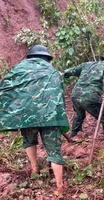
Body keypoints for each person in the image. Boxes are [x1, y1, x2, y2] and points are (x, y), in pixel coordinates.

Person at [0, 45, 69, 195]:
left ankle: (35, 169)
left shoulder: (18, 68)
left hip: (26, 115)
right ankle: (59, 185)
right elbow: (59, 94)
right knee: (55, 151)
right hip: (50, 116)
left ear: (31, 56)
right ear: (46, 58)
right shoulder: (52, 71)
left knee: (29, 140)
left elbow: (5, 86)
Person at [63, 56, 104, 144]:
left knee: (79, 115)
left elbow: (69, 71)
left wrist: (63, 73)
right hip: (90, 96)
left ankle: (73, 136)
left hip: (75, 95)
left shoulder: (87, 64)